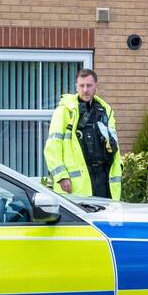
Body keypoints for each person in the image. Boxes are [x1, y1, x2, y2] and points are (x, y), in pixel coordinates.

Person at [44, 69, 122, 200]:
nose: (85, 90)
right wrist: (61, 176)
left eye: (89, 85)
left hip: (103, 177)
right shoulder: (64, 111)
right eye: (81, 86)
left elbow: (114, 144)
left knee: (105, 217)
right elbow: (52, 147)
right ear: (76, 86)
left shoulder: (105, 111)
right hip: (77, 183)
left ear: (96, 85)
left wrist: (119, 166)